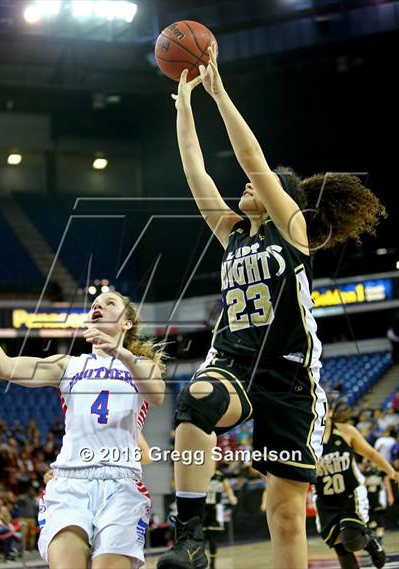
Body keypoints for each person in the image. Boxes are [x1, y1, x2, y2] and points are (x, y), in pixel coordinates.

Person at [157, 42, 387, 569]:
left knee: (283, 513)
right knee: (197, 400)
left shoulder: (295, 231)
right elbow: (196, 173)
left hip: (289, 379)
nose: (244, 185)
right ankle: (190, 535)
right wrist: (186, 107)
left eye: (258, 186)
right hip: (236, 361)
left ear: (282, 197)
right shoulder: (232, 234)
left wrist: (220, 94)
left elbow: (252, 160)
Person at [0, 291, 166, 569]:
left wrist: (121, 353)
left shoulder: (141, 367)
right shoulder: (68, 365)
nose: (99, 306)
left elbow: (157, 395)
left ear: (127, 323)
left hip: (121, 485)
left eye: (109, 303)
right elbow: (3, 367)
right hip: (70, 482)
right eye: (95, 304)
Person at [314, 399, 399, 569]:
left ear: (329, 412)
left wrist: (391, 472)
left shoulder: (346, 431)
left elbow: (372, 454)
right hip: (325, 500)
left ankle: (370, 540)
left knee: (351, 541)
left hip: (350, 495)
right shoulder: (305, 439)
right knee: (341, 549)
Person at [202, 463, 237, 569]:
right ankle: (201, 562)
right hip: (203, 509)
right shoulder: (201, 473)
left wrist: (232, 497)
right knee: (202, 538)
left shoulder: (220, 475)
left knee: (213, 538)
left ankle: (212, 564)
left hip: (216, 509)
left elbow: (228, 487)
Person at [361, 459, 395, 544]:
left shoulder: (380, 471)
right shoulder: (365, 470)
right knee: (368, 516)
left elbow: (386, 481)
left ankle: (379, 537)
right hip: (368, 496)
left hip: (378, 495)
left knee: (379, 516)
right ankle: (373, 533)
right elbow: (362, 482)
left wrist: (390, 495)